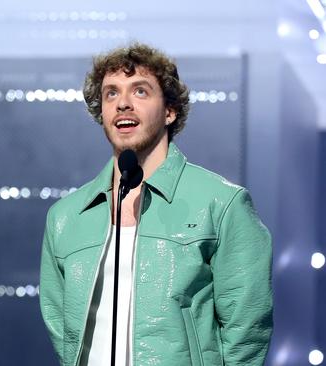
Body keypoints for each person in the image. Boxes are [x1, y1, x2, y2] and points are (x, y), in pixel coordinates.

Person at [39, 43, 272, 366]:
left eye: (140, 92)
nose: (122, 103)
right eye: (111, 94)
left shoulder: (221, 203)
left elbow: (246, 329)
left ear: (170, 111)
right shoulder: (65, 217)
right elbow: (62, 327)